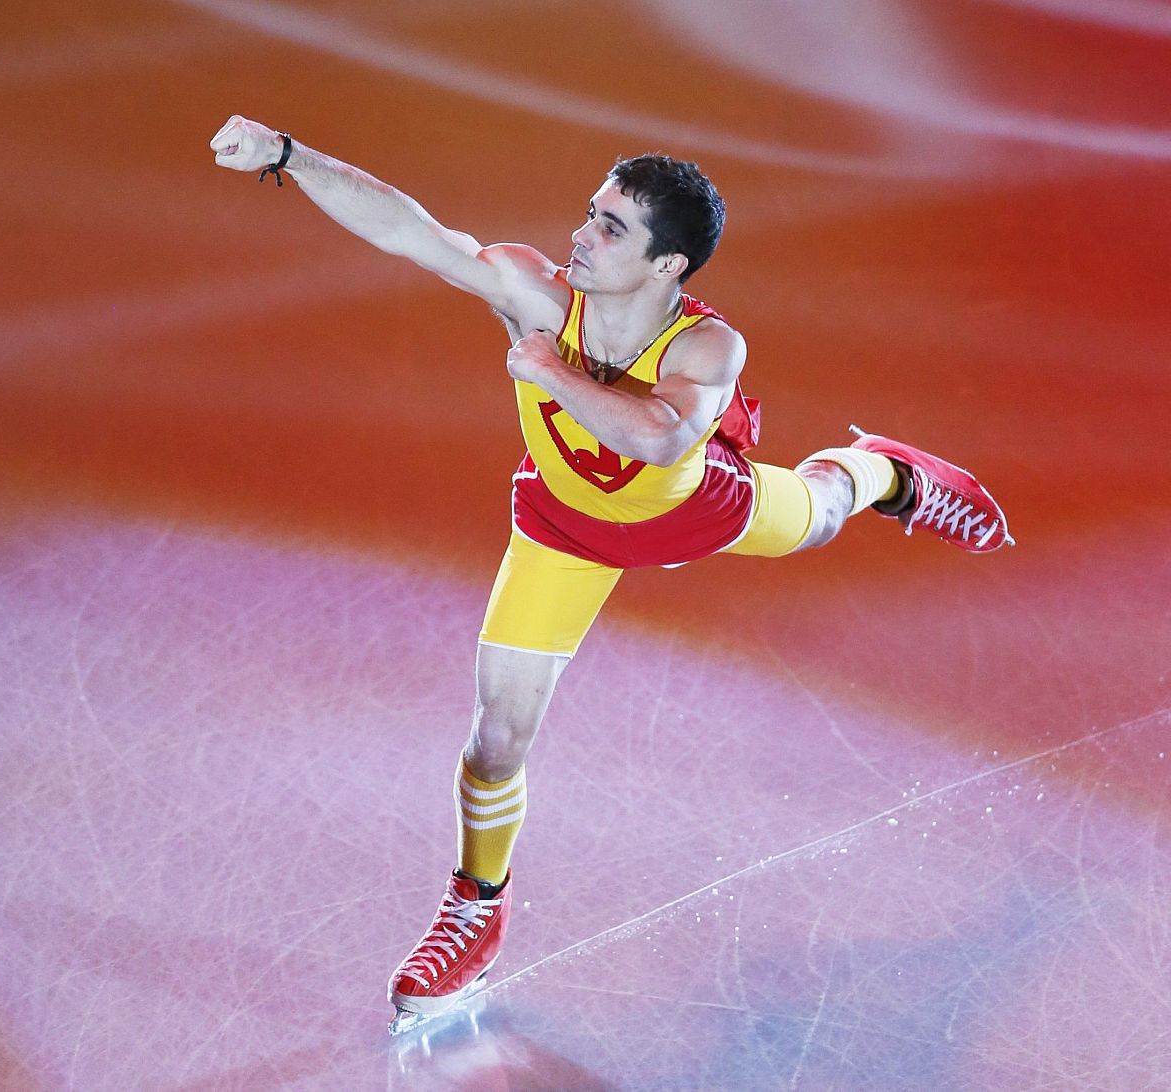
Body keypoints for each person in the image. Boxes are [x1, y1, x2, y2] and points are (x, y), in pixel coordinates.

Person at [209, 115, 1012, 1029]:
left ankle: (888, 473)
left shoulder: (708, 348)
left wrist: (548, 366)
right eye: (591, 214)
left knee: (822, 514)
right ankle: (478, 905)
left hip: (692, 508)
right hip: (561, 528)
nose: (580, 237)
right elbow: (411, 232)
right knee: (494, 740)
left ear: (668, 265)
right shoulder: (535, 290)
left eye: (611, 229)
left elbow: (660, 435)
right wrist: (287, 154)